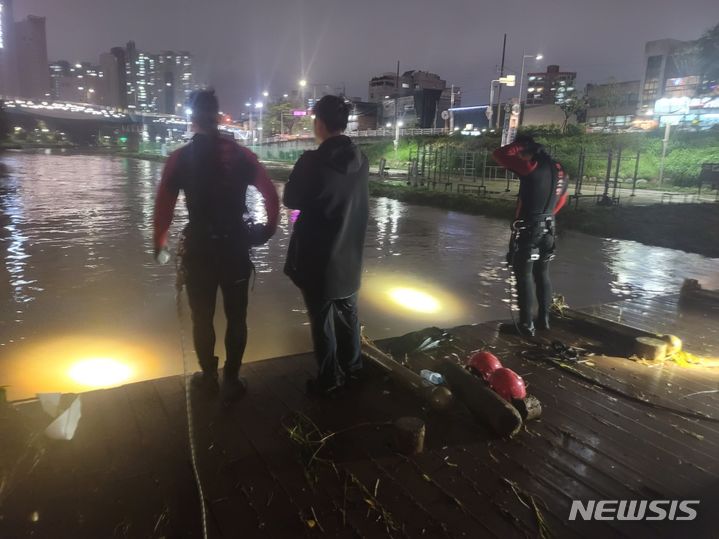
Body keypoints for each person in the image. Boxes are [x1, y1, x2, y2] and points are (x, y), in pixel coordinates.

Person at [153, 89, 279, 401]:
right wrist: (268, 230)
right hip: (235, 247)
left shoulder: (179, 159)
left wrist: (160, 244)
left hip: (199, 251)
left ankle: (208, 377)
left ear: (193, 118)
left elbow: (163, 207)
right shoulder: (242, 156)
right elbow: (271, 195)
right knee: (237, 317)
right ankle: (233, 379)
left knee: (202, 317)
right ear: (217, 115)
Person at [283, 95, 370, 397]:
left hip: (318, 259)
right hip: (351, 256)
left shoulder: (311, 161)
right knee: (348, 314)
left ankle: (329, 378)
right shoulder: (362, 159)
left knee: (322, 322)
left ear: (319, 123)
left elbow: (291, 200)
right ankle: (354, 369)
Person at [493, 135, 568, 338]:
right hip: (550, 229)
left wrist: (521, 146)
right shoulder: (560, 169)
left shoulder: (531, 166)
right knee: (542, 274)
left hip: (530, 230)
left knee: (523, 275)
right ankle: (543, 320)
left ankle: (526, 325)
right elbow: (561, 201)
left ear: (528, 152)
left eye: (522, 154)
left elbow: (499, 155)